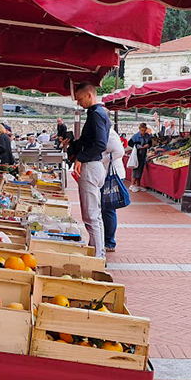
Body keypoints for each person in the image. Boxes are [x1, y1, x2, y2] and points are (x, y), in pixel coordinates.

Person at [71, 82, 111, 258]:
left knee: (91, 216)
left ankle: (98, 256)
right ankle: (97, 251)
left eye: (80, 99)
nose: (79, 103)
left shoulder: (96, 114)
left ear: (89, 95)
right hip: (95, 166)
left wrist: (81, 157)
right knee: (94, 215)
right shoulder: (99, 113)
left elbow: (100, 144)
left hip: (91, 166)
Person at [102, 128, 127, 253]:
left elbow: (119, 152)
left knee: (108, 208)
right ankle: (106, 239)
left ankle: (109, 242)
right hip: (106, 174)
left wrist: (102, 160)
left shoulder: (110, 133)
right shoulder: (105, 132)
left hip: (112, 174)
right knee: (105, 209)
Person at [127, 123, 152, 192]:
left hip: (144, 154)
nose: (142, 132)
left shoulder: (147, 136)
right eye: (141, 131)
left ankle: (138, 184)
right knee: (136, 169)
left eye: (144, 131)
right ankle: (132, 184)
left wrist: (148, 145)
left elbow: (150, 143)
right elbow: (130, 143)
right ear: (139, 129)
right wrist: (138, 146)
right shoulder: (136, 136)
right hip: (137, 154)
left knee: (141, 169)